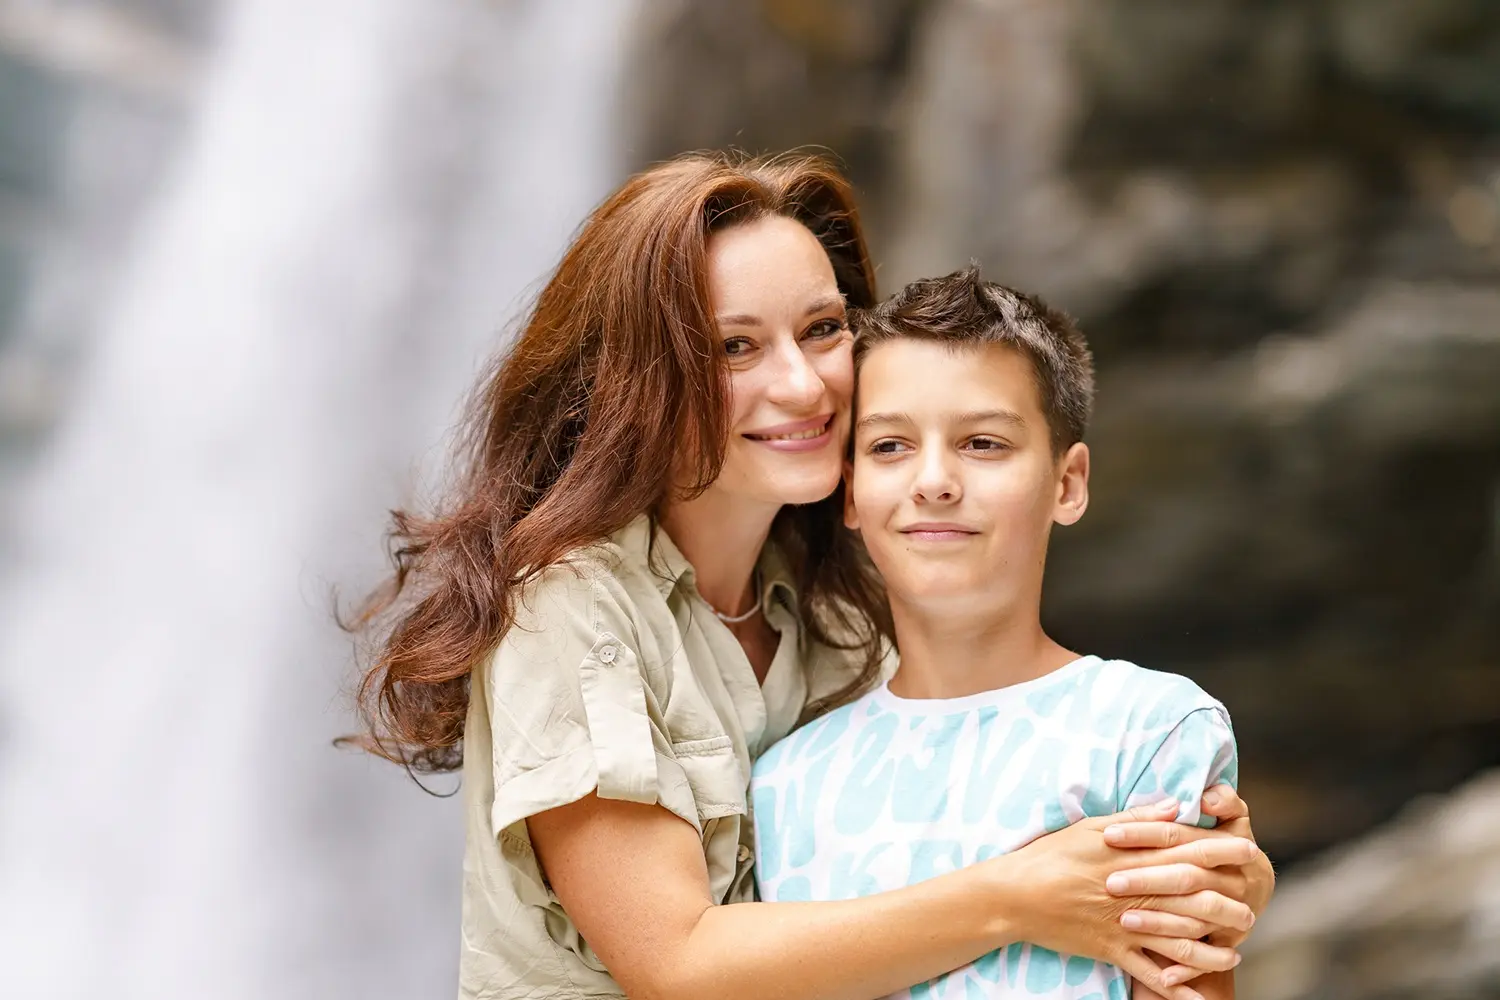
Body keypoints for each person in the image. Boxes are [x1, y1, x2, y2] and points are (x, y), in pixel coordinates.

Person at [345, 152, 1274, 1000]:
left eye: (823, 329)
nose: (801, 384)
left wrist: (1196, 868)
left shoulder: (841, 614)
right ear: (639, 375)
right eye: (734, 346)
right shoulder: (572, 606)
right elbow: (677, 962)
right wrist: (1022, 897)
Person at [751, 266, 1250, 1000]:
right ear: (850, 491)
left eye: (983, 443)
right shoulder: (783, 781)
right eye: (890, 446)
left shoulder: (1149, 731)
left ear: (1067, 483)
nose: (934, 481)